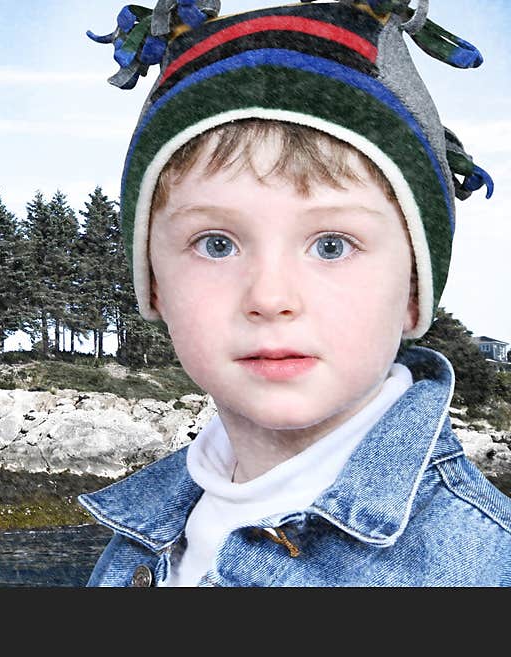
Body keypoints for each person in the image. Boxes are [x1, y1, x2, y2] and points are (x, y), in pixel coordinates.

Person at [78, 0, 511, 586]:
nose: (270, 297)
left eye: (331, 245)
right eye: (216, 244)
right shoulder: (142, 534)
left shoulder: (482, 566)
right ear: (153, 285)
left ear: (414, 292)